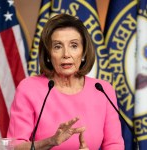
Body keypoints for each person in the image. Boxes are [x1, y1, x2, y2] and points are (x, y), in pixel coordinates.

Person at [7, 14, 124, 150]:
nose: (66, 54)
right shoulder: (29, 89)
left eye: (74, 45)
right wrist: (51, 141)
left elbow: (114, 145)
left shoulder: (103, 90)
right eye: (57, 46)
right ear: (48, 54)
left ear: (84, 52)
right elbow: (14, 147)